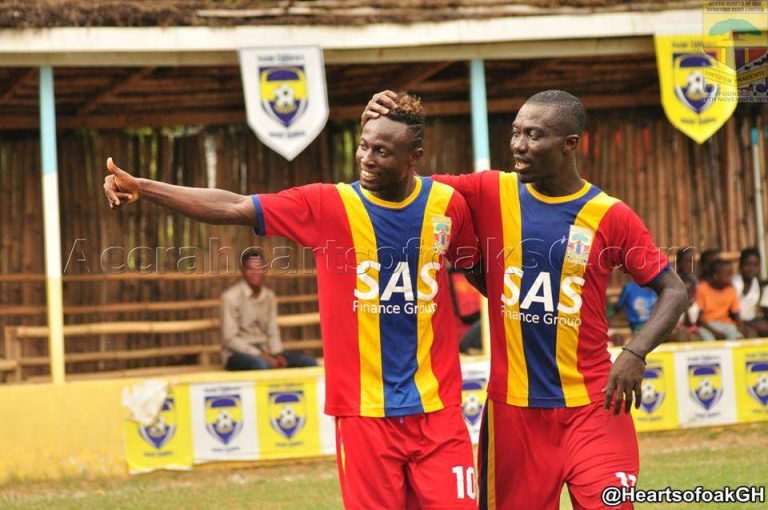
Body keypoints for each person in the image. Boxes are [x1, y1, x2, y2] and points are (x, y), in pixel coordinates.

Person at [104, 94, 481, 509]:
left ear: (415, 157)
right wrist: (144, 186)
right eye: (364, 145)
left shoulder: (448, 206)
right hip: (363, 416)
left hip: (439, 412)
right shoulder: (328, 205)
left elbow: (476, 268)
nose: (366, 158)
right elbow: (233, 205)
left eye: (382, 151)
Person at [362, 89, 688, 510]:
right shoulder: (488, 191)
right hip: (513, 416)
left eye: (534, 135)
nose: (518, 145)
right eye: (516, 133)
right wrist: (376, 127)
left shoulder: (611, 215)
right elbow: (399, 184)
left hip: (595, 406)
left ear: (570, 143)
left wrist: (635, 353)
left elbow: (674, 290)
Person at [221, 249, 317, 371]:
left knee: (308, 361)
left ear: (265, 270)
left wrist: (277, 354)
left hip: (267, 351)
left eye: (260, 268)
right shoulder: (230, 297)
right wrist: (260, 355)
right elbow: (230, 339)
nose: (256, 272)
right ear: (243, 271)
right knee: (261, 365)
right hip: (237, 354)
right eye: (251, 268)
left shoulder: (269, 296)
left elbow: (272, 330)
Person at [696, 258, 745, 340]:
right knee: (708, 340)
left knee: (737, 337)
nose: (731, 277)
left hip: (725, 324)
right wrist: (715, 332)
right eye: (728, 275)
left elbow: (736, 313)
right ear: (716, 276)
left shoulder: (731, 290)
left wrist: (740, 326)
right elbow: (699, 319)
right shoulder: (702, 289)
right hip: (707, 325)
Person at [732, 247, 768, 337]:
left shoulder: (757, 283)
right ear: (740, 265)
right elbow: (731, 310)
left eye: (755, 265)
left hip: (752, 320)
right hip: (735, 320)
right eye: (747, 264)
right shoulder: (735, 284)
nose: (751, 268)